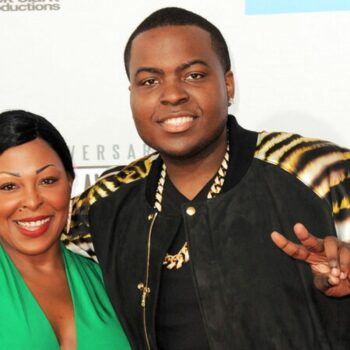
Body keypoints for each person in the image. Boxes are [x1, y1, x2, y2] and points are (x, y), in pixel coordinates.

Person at [67, 7, 350, 349]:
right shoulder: (104, 204)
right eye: (149, 81)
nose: (172, 95)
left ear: (228, 84)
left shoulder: (319, 170)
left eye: (194, 75)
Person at [0, 110, 130, 349]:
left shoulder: (110, 278)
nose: (32, 200)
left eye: (47, 180)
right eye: (9, 186)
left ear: (70, 179)